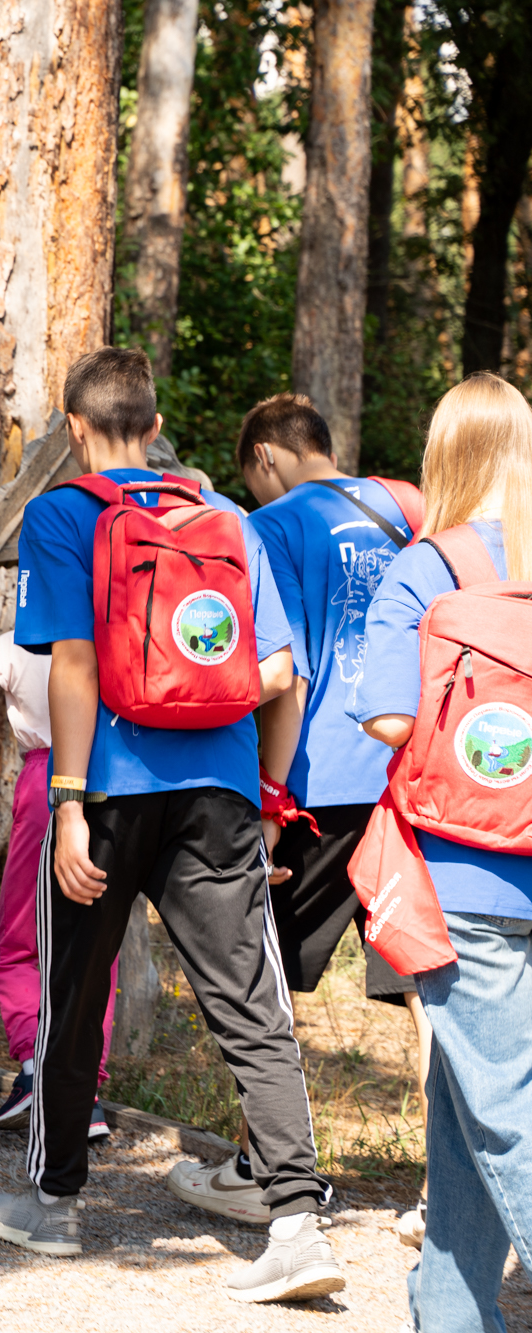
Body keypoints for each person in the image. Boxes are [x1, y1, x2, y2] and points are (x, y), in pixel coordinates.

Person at [0, 347, 341, 1306]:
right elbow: (279, 676)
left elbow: (75, 668)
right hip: (219, 789)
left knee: (74, 990)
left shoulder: (65, 514)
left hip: (106, 789)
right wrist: (264, 798)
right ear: (155, 420)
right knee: (251, 1003)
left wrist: (66, 806)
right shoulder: (226, 522)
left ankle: (53, 1205)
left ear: (77, 430)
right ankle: (297, 1223)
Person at [352, 372, 532, 1332]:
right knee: (463, 1107)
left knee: (504, 1105)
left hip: (466, 877)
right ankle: (454, 1315)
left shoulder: (430, 567)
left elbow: (384, 717)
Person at [233, 393, 429, 1243]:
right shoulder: (409, 506)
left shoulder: (274, 524)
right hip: (409, 779)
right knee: (428, 992)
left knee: (266, 985)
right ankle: (441, 1190)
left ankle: (262, 1169)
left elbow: (292, 673)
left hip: (316, 789)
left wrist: (270, 801)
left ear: (268, 456)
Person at [0, 630, 117, 1140]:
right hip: (108, 781)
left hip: (46, 783)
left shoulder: (12, 645)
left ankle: (36, 1070)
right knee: (95, 946)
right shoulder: (104, 632)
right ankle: (86, 1095)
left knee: (19, 942)